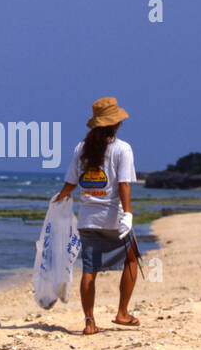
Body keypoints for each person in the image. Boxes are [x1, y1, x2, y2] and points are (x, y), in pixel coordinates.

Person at [52, 97, 138, 334]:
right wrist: (128, 214)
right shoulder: (123, 149)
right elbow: (124, 185)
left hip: (88, 219)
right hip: (114, 218)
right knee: (131, 260)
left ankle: (89, 322)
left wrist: (59, 200)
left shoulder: (82, 148)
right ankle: (122, 313)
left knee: (89, 270)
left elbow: (70, 183)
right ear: (117, 124)